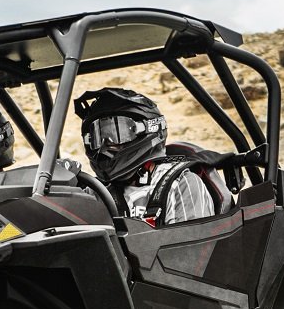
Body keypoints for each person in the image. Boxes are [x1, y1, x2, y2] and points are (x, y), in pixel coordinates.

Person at [74, 87, 217, 226]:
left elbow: (190, 248)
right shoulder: (96, 191)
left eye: (116, 133)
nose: (105, 145)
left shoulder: (180, 184)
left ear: (147, 129)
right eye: (98, 137)